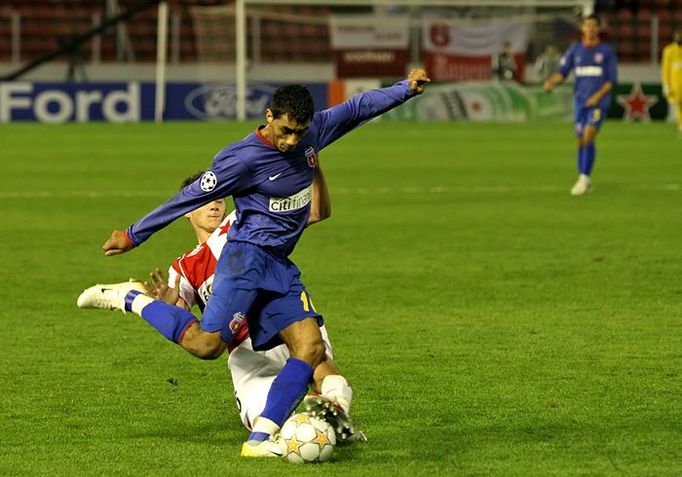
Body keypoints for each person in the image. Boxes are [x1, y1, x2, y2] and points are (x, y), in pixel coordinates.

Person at [94, 68, 430, 457]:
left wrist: (406, 89)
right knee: (206, 346)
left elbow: (357, 107)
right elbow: (186, 199)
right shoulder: (240, 160)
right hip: (244, 260)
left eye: (298, 133)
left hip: (279, 265)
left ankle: (258, 443)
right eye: (285, 130)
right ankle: (133, 299)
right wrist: (134, 235)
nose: (291, 141)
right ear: (269, 115)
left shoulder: (312, 132)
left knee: (309, 346)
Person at [78, 169, 362, 441]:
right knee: (269, 424)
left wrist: (313, 167)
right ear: (187, 209)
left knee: (324, 373)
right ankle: (315, 431)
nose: (214, 204)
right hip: (244, 353)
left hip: (282, 321)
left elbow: (316, 212)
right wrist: (167, 304)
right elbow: (185, 324)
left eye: (218, 196)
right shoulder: (184, 267)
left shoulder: (246, 219)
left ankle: (336, 412)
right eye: (205, 199)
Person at [544, 15, 618, 196]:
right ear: (582, 28)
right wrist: (551, 82)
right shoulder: (574, 50)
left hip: (599, 102)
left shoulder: (607, 51)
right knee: (580, 140)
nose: (591, 29)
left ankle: (583, 178)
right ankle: (586, 178)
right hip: (580, 101)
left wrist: (597, 97)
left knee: (589, 134)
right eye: (588, 25)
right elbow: (563, 72)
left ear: (598, 29)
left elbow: (611, 81)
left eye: (594, 26)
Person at [661, 30, 682, 133]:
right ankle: (681, 125)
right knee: (679, 103)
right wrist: (666, 83)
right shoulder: (669, 50)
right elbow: (666, 68)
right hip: (675, 83)